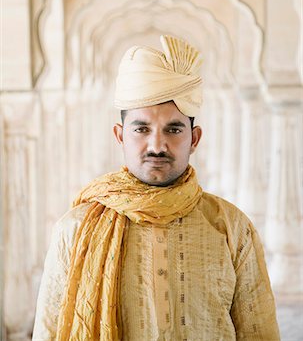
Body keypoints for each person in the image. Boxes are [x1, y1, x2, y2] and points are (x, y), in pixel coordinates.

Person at [32, 35, 280, 340]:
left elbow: (260, 331)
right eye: (142, 129)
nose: (157, 145)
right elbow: (49, 331)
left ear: (195, 138)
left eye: (173, 129)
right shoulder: (75, 229)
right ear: (120, 136)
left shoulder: (231, 227)